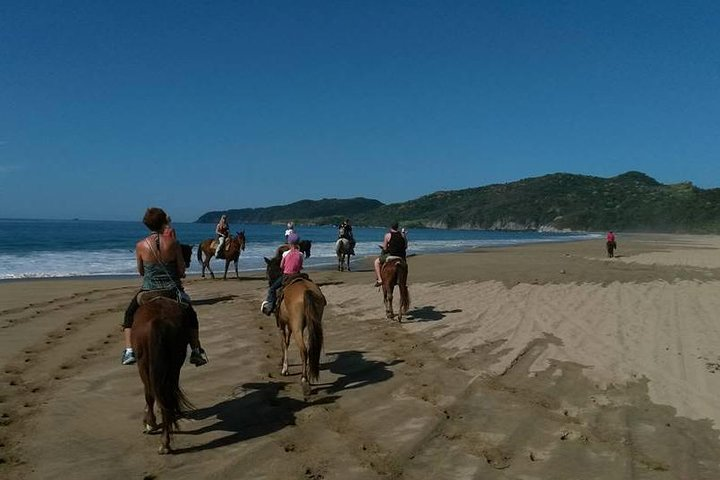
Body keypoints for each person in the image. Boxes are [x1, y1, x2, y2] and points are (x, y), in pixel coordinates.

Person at [121, 207, 207, 366]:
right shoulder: (174, 243)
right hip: (172, 291)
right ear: (163, 223)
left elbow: (141, 272)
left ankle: (129, 351)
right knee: (191, 316)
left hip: (147, 291)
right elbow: (181, 270)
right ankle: (196, 350)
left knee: (129, 315)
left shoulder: (140, 245)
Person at [261, 233, 304, 315]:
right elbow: (300, 266)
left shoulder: (285, 254)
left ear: (289, 243)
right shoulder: (301, 254)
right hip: (297, 275)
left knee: (272, 289)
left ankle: (270, 306)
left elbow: (281, 266)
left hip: (287, 276)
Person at [373, 222, 407, 287]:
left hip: (391, 255)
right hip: (401, 256)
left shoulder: (387, 235)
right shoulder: (403, 235)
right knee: (405, 267)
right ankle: (403, 282)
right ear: (397, 227)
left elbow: (385, 248)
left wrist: (385, 247)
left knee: (376, 262)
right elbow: (405, 246)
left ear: (390, 227)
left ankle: (380, 280)